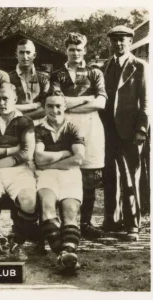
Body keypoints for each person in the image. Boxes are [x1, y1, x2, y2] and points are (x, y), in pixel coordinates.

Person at [50, 32, 107, 240]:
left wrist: (70, 103)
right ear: (66, 50)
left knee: (89, 176)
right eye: (71, 49)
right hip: (65, 126)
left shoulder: (95, 73)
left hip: (91, 126)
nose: (75, 53)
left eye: (79, 49)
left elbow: (101, 103)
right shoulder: (57, 74)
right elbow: (57, 102)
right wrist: (87, 98)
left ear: (85, 50)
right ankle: (65, 223)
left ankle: (85, 223)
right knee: (65, 171)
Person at [0, 82, 37, 262]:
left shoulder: (25, 121)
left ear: (15, 99)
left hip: (19, 170)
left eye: (6, 99)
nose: (2, 103)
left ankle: (17, 243)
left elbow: (27, 153)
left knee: (29, 201)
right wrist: (13, 150)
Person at [101, 25, 149, 241]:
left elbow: (147, 101)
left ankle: (133, 224)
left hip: (130, 131)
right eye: (115, 40)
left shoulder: (140, 66)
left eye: (123, 40)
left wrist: (141, 128)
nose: (118, 44)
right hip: (107, 130)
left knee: (130, 177)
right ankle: (111, 221)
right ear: (110, 42)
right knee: (110, 176)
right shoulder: (106, 66)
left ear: (130, 42)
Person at [35, 92, 85, 272]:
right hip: (47, 176)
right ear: (44, 107)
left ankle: (67, 252)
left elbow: (79, 159)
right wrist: (65, 153)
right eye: (50, 106)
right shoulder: (38, 129)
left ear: (65, 107)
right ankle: (63, 253)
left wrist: (50, 163)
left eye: (58, 106)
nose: (54, 110)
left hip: (70, 174)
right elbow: (38, 157)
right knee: (47, 207)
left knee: (70, 211)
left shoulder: (73, 128)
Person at [9, 39, 50, 125]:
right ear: (16, 55)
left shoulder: (44, 78)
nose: (25, 56)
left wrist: (23, 118)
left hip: (39, 123)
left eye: (28, 52)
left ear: (34, 55)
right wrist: (35, 105)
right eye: (21, 52)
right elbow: (6, 106)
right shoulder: (8, 78)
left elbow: (46, 107)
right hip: (14, 124)